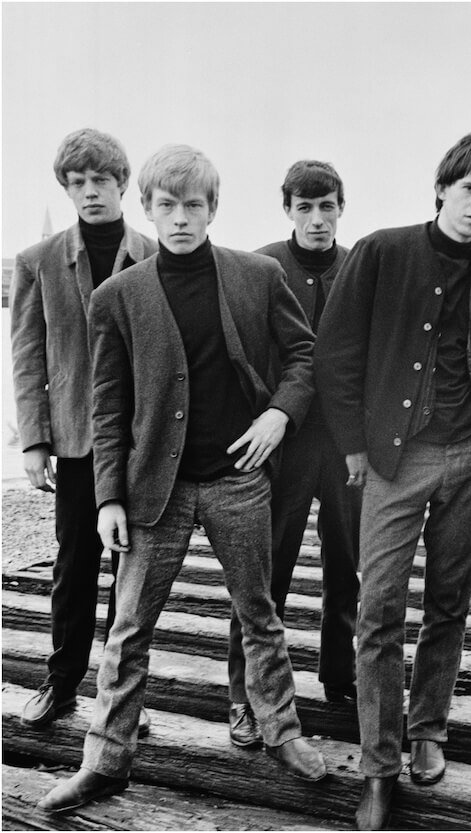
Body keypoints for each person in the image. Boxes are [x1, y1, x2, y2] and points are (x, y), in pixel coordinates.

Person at [37, 144, 327, 813]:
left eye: (192, 205)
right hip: (152, 492)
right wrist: (107, 496)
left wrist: (280, 414)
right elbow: (106, 406)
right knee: (130, 627)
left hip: (238, 479)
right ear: (148, 208)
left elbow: (304, 354)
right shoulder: (117, 297)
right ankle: (106, 760)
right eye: (165, 205)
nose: (179, 218)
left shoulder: (255, 276)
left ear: (212, 208)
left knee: (259, 613)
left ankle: (281, 729)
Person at [314, 128, 471, 831]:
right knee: (378, 608)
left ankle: (428, 728)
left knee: (449, 598)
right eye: (469, 189)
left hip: (469, 458)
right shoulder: (380, 252)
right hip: (391, 462)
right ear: (442, 188)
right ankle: (377, 767)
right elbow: (337, 355)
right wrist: (352, 447)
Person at [11, 129, 158, 735]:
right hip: (74, 440)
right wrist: (35, 441)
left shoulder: (155, 253)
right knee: (74, 565)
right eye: (78, 183)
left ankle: (121, 696)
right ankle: (62, 681)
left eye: (101, 180)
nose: (91, 192)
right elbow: (27, 356)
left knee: (135, 570)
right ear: (66, 188)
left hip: (138, 440)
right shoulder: (38, 260)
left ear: (122, 183)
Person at [224, 160, 361, 749]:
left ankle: (340, 676)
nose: (317, 219)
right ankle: (245, 692)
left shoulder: (360, 266)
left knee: (346, 567)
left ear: (340, 208)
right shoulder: (259, 266)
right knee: (262, 573)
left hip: (347, 446)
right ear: (287, 210)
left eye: (326, 205)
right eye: (304, 207)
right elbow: (239, 355)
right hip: (281, 445)